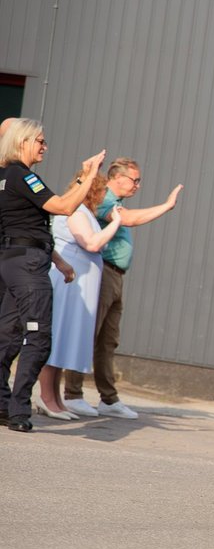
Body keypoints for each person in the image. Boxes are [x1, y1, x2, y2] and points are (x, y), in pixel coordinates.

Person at [0, 118, 105, 432]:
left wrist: (56, 259)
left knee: (7, 336)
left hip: (12, 259)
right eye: (40, 141)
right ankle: (19, 411)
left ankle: (4, 405)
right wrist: (89, 176)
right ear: (23, 142)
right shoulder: (21, 175)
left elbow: (19, 227)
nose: (44, 147)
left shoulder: (4, 176)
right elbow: (62, 206)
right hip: (28, 266)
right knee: (38, 337)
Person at [61, 158, 182, 419]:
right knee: (89, 334)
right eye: (134, 180)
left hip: (115, 276)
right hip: (102, 273)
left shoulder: (115, 202)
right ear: (117, 178)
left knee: (108, 340)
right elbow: (129, 220)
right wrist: (166, 206)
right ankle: (73, 394)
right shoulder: (105, 199)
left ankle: (108, 399)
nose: (138, 185)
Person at [34, 173, 122, 419]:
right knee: (58, 338)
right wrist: (116, 222)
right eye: (102, 191)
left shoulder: (85, 212)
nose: (105, 196)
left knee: (64, 342)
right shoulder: (76, 212)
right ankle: (46, 397)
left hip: (77, 286)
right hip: (69, 284)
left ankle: (56, 399)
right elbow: (92, 244)